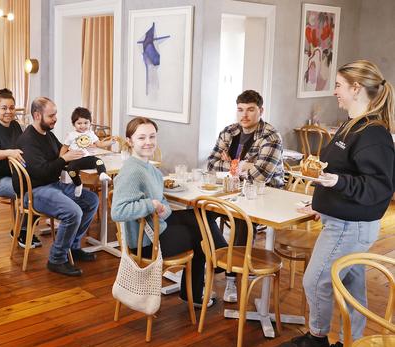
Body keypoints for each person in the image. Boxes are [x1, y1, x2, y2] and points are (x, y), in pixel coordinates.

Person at [280, 60, 394, 347]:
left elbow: (379, 187)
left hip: (351, 227)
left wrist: (337, 183)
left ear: (356, 88)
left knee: (315, 281)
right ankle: (347, 344)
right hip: (341, 221)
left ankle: (320, 337)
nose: (335, 92)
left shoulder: (373, 134)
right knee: (352, 287)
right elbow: (339, 172)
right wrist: (321, 203)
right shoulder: (351, 124)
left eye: (339, 86)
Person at [111, 117, 226, 307]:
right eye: (141, 138)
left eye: (152, 136)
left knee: (200, 216)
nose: (148, 142)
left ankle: (219, 257)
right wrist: (151, 204)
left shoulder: (152, 169)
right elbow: (118, 211)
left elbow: (162, 203)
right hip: (145, 243)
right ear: (130, 141)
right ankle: (200, 285)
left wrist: (162, 208)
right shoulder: (132, 171)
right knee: (201, 236)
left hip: (155, 227)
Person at [207, 89, 284, 303]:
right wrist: (241, 165)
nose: (245, 115)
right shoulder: (229, 131)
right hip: (233, 188)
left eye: (251, 110)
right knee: (202, 212)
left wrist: (232, 164)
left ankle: (232, 278)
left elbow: (261, 174)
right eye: (240, 110)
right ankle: (222, 257)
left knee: (241, 220)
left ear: (261, 110)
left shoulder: (270, 135)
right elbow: (212, 164)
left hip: (267, 194)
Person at [15, 97, 99, 276]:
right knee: (73, 212)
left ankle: (73, 246)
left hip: (53, 185)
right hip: (35, 192)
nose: (55, 118)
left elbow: (61, 151)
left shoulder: (47, 135)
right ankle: (57, 258)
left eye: (55, 114)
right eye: (51, 115)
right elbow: (42, 172)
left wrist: (82, 150)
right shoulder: (28, 140)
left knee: (91, 200)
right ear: (37, 115)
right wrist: (64, 159)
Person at [0, 88, 42, 249]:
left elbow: (25, 146)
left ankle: (23, 229)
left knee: (40, 187)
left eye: (12, 108)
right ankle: (22, 232)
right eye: (4, 108)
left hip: (13, 174)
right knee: (29, 191)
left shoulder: (15, 126)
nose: (8, 111)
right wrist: (10, 153)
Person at [60, 107, 112, 197]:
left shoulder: (91, 133)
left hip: (87, 158)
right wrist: (61, 158)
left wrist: (111, 142)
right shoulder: (71, 135)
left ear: (90, 123)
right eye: (79, 123)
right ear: (74, 124)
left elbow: (99, 144)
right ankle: (78, 184)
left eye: (86, 123)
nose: (83, 126)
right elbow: (64, 147)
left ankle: (102, 174)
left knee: (99, 161)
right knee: (71, 169)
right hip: (75, 159)